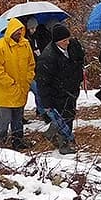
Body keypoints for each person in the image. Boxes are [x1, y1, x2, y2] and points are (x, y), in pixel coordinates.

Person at [0, 17, 36, 150]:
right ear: (10, 31)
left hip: (21, 89)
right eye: (17, 30)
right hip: (5, 92)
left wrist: (27, 80)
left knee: (18, 119)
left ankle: (18, 141)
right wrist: (9, 82)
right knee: (5, 119)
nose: (19, 33)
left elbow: (31, 65)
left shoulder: (25, 45)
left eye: (21, 30)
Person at [36, 23, 85, 154]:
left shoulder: (73, 45)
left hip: (72, 88)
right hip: (57, 91)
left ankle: (51, 133)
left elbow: (80, 59)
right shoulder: (48, 57)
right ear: (56, 41)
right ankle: (64, 145)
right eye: (64, 41)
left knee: (68, 115)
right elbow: (42, 82)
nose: (67, 43)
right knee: (65, 116)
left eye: (68, 39)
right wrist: (46, 103)